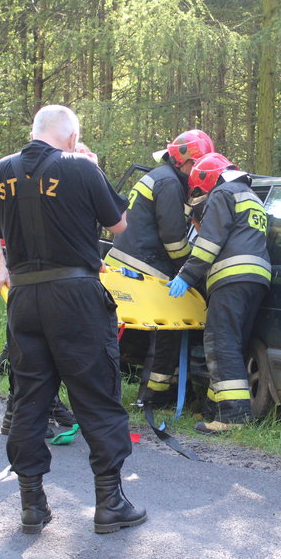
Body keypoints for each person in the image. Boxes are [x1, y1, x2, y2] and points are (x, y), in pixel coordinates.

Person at [0, 104, 145, 534]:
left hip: (23, 296)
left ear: (35, 131)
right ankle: (110, 502)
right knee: (97, 392)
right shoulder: (80, 165)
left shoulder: (1, 171)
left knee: (30, 398)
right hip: (75, 295)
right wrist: (93, 167)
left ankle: (32, 504)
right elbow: (119, 225)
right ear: (73, 138)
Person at [106, 130, 214, 407]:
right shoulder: (169, 183)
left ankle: (153, 391)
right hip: (145, 265)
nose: (197, 173)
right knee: (170, 327)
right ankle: (156, 395)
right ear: (185, 162)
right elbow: (174, 240)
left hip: (129, 262)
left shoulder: (162, 176)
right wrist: (190, 271)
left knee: (126, 332)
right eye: (196, 166)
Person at [167, 153, 271, 434]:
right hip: (257, 280)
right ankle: (216, 410)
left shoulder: (223, 193)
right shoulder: (252, 197)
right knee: (232, 345)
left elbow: (209, 243)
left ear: (208, 179)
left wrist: (186, 276)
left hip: (231, 277)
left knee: (220, 344)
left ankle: (234, 418)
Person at [0, 201, 77, 438]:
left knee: (41, 336)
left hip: (41, 267)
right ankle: (17, 413)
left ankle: (43, 403)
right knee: (31, 340)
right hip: (16, 264)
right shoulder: (21, 170)